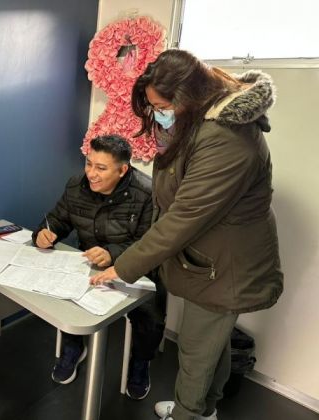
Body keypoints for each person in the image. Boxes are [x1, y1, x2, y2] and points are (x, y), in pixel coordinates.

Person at [90, 50, 284, 420]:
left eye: (162, 107)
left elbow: (185, 216)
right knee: (213, 345)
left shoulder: (227, 138)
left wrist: (123, 266)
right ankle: (204, 410)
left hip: (225, 266)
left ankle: (188, 413)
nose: (158, 115)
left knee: (197, 351)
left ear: (188, 98)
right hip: (208, 258)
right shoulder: (194, 121)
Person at [32, 135, 166, 399]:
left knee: (150, 315)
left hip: (137, 269)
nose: (91, 173)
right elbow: (56, 219)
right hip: (90, 265)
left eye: (101, 168)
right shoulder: (75, 186)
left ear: (123, 169)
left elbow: (150, 242)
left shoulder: (148, 193)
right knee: (65, 296)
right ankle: (73, 349)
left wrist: (113, 255)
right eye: (89, 163)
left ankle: (140, 364)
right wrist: (44, 233)